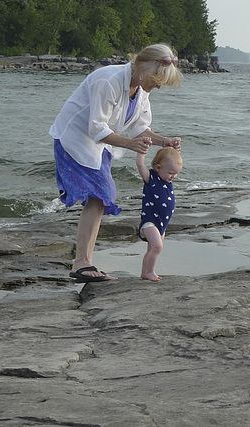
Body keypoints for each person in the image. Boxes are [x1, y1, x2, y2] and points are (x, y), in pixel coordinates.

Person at [50, 43, 183, 283]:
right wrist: (130, 144)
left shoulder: (141, 91)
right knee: (102, 193)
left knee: (99, 197)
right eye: (157, 78)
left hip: (100, 144)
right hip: (75, 138)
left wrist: (164, 141)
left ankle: (83, 262)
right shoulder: (108, 81)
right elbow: (97, 127)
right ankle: (82, 263)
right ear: (144, 68)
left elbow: (139, 128)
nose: (159, 85)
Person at [136, 145, 182, 282]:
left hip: (162, 223)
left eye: (176, 173)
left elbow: (171, 158)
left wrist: (173, 148)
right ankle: (150, 272)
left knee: (151, 249)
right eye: (171, 173)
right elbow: (140, 164)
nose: (174, 176)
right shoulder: (151, 179)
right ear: (158, 168)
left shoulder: (167, 180)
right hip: (150, 221)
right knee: (157, 247)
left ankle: (144, 272)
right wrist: (141, 151)